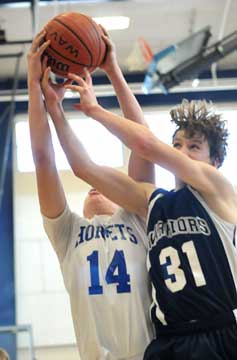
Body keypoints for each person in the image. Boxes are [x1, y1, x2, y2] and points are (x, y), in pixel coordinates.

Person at [62, 68, 237, 359]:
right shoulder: (153, 202)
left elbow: (144, 142)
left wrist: (95, 110)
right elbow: (86, 168)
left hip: (218, 334)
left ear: (215, 161)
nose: (182, 152)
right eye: (177, 145)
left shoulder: (220, 191)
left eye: (194, 147)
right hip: (169, 339)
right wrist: (108, 70)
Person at [27, 29, 155, 360]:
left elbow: (143, 144)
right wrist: (37, 91)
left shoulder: (139, 218)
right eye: (87, 190)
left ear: (124, 196)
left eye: (105, 186)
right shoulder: (67, 233)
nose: (94, 188)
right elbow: (43, 159)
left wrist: (113, 69)